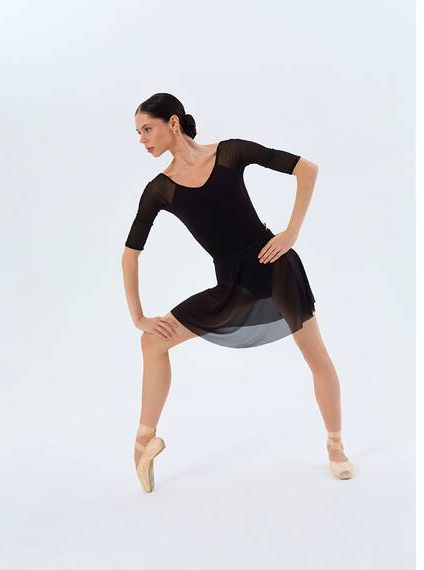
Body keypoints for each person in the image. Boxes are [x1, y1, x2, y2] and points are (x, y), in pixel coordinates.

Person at [122, 93, 354, 492]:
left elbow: (307, 169)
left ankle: (335, 446)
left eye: (147, 129)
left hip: (275, 268)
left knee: (316, 357)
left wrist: (291, 232)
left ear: (173, 123)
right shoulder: (161, 189)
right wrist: (139, 316)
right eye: (138, 133)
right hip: (232, 285)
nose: (142, 140)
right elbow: (130, 255)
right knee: (152, 341)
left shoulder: (230, 153)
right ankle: (144, 442)